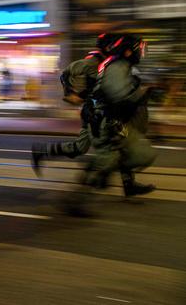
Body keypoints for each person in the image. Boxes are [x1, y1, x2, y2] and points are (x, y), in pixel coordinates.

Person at [32, 34, 155, 198]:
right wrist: (71, 93)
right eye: (111, 44)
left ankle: (127, 184)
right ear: (106, 46)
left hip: (101, 111)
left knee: (118, 145)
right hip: (95, 113)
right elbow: (66, 73)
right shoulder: (93, 62)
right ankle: (45, 152)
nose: (114, 47)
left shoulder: (113, 63)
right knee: (84, 148)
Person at [63, 34, 159, 216]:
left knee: (138, 153)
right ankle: (76, 199)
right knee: (112, 159)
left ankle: (106, 175)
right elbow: (120, 100)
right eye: (140, 49)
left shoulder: (122, 66)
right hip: (106, 123)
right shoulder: (116, 67)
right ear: (129, 51)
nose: (142, 53)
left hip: (114, 123)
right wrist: (142, 94)